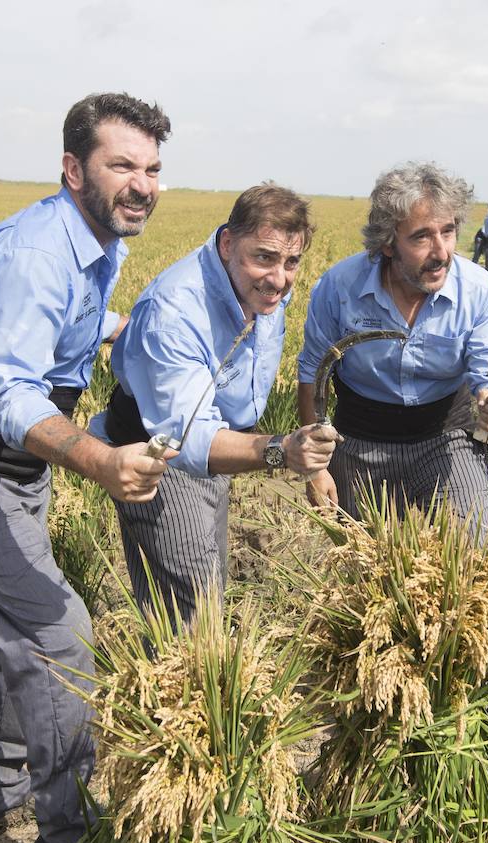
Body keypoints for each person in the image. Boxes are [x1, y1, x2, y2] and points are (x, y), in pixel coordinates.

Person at [0, 92, 174, 843]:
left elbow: (74, 319)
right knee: (58, 631)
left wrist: (132, 325)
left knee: (14, 631)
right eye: (122, 164)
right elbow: (12, 394)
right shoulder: (36, 254)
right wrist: (96, 458)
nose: (143, 183)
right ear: (72, 168)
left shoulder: (95, 233)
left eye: (153, 167)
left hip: (18, 466)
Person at [93, 184, 339, 620]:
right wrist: (284, 450)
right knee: (194, 604)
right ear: (227, 243)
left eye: (291, 262)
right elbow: (189, 439)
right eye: (263, 256)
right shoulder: (175, 312)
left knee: (201, 582)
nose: (279, 278)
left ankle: (180, 674)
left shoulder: (262, 289)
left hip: (220, 444)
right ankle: (181, 683)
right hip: (159, 452)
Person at [298, 162, 488, 542]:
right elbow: (312, 373)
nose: (442, 252)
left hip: (447, 437)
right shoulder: (340, 287)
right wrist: (315, 468)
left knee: (466, 550)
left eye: (448, 232)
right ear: (387, 243)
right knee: (363, 563)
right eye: (421, 238)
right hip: (361, 438)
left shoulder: (478, 290)